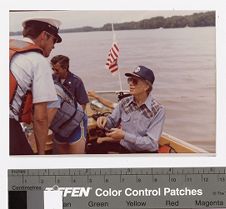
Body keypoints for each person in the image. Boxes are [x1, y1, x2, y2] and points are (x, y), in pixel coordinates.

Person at [9, 18, 62, 155]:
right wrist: (41, 154)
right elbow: (41, 117)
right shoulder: (38, 60)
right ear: (44, 36)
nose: (54, 46)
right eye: (54, 40)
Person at [94, 65, 165, 153]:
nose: (130, 84)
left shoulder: (158, 110)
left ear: (146, 87)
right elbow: (111, 122)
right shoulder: (124, 103)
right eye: (130, 80)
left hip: (146, 154)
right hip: (124, 150)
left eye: (135, 81)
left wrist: (124, 136)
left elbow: (151, 144)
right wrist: (104, 121)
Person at [47, 75, 87, 154]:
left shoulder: (76, 81)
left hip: (75, 124)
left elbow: (83, 103)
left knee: (76, 162)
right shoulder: (54, 78)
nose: (55, 71)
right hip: (59, 127)